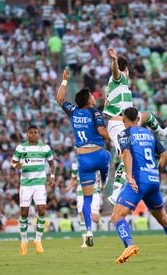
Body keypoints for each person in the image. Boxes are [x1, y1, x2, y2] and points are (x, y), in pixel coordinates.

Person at [111, 107, 167, 264]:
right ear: (138, 120)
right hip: (153, 179)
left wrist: (128, 176)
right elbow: (166, 157)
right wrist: (156, 171)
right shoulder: (150, 134)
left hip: (138, 179)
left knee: (117, 216)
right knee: (161, 217)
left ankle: (129, 245)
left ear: (124, 120)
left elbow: (126, 153)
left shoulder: (124, 134)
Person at [104, 48, 167, 205]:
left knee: (147, 115)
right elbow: (116, 72)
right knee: (126, 157)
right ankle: (116, 192)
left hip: (127, 121)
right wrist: (114, 60)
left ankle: (161, 133)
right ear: (127, 70)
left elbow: (106, 104)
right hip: (119, 125)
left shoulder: (116, 88)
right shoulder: (120, 78)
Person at [56, 67, 111, 247]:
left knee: (86, 201)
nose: (94, 98)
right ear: (88, 99)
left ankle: (88, 231)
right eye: (92, 96)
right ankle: (103, 181)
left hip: (83, 160)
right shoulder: (94, 112)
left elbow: (60, 99)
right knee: (108, 157)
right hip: (97, 154)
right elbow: (102, 131)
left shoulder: (73, 111)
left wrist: (64, 81)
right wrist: (115, 139)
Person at [11, 125, 56, 255]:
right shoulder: (21, 147)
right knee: (24, 213)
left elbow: (51, 163)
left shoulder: (45, 148)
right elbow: (12, 163)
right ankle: (24, 240)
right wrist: (16, 165)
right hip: (25, 184)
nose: (33, 135)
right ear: (27, 134)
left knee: (41, 210)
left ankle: (38, 240)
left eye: (35, 133)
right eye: (31, 133)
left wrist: (52, 176)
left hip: (39, 184)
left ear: (38, 134)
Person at [66, 160, 104, 247]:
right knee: (82, 215)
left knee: (94, 218)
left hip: (93, 192)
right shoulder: (75, 164)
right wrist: (69, 186)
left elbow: (102, 174)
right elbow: (74, 178)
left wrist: (100, 180)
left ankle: (99, 220)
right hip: (80, 192)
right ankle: (85, 240)